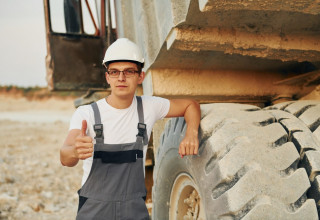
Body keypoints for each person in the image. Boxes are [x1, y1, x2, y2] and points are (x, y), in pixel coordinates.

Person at [60, 38, 201, 219]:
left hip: (133, 211)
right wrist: (75, 151)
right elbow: (65, 157)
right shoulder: (87, 114)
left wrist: (191, 134)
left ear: (140, 76)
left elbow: (190, 105)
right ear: (107, 76)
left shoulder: (149, 107)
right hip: (94, 211)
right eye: (115, 72)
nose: (121, 78)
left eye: (129, 71)